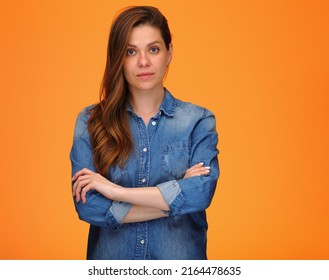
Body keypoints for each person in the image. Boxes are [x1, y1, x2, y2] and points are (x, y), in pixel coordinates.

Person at [70, 5, 220, 260]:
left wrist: (116, 192)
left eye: (153, 49)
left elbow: (201, 193)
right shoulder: (91, 122)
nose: (143, 62)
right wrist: (176, 195)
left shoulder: (198, 121)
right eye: (131, 51)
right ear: (118, 57)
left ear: (169, 53)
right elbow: (90, 207)